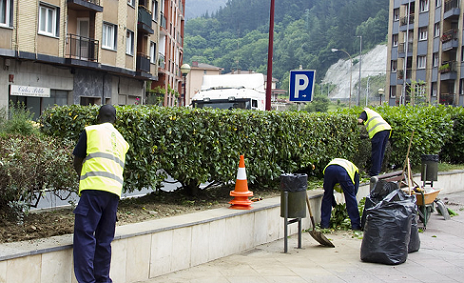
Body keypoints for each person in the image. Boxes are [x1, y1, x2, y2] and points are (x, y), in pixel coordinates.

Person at [72, 105, 129, 283]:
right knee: (104, 240)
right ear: (115, 120)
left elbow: (77, 161)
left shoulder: (91, 131)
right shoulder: (122, 141)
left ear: (98, 117)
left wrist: (84, 179)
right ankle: (103, 280)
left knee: (85, 235)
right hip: (113, 194)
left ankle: (87, 281)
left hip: (93, 190)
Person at [321, 158, 361, 230]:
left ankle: (324, 224)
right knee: (350, 197)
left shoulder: (338, 162)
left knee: (327, 196)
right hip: (342, 171)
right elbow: (354, 192)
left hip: (329, 170)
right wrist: (350, 200)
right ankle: (355, 225)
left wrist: (335, 205)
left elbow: (329, 194)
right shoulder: (355, 170)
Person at [358, 107, 391, 177]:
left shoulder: (365, 112)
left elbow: (359, 120)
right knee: (380, 153)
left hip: (379, 131)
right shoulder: (374, 113)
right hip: (387, 130)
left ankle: (373, 174)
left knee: (376, 153)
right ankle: (377, 172)